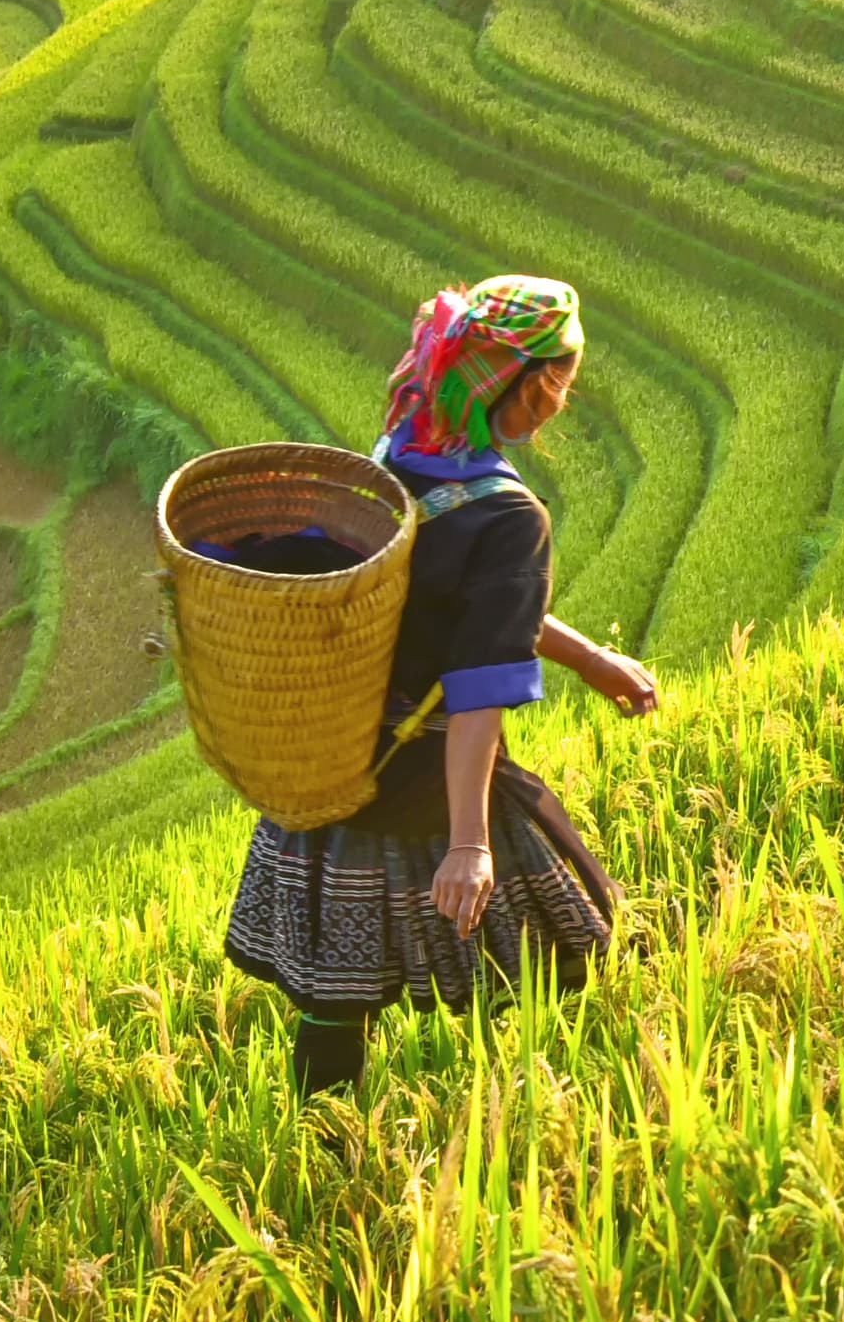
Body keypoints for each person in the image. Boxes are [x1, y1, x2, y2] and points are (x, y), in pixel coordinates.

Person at [223, 274, 660, 1094]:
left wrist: (592, 661)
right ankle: (573, 1097)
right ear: (534, 386)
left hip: (332, 751)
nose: (566, 399)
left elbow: (472, 606)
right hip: (423, 768)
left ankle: (320, 1147)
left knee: (332, 984)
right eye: (564, 380)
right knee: (574, 934)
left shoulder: (399, 455)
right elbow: (477, 684)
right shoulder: (510, 517)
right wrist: (469, 841)